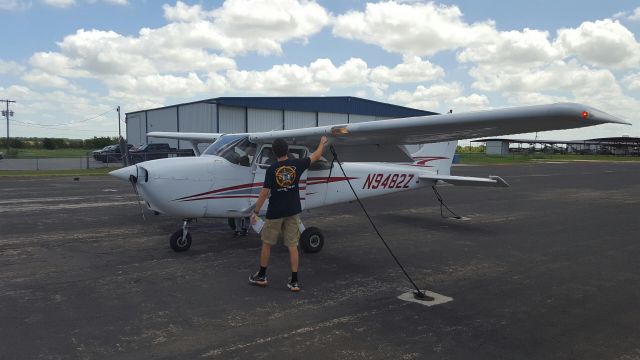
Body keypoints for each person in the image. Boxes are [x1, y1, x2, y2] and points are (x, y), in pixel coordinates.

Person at [249, 136, 328, 292]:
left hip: (275, 212)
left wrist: (256, 211)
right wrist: (322, 142)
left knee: (267, 244)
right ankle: (294, 281)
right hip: (292, 211)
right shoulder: (297, 164)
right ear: (288, 151)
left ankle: (262, 276)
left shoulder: (272, 169)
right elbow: (317, 156)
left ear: (274, 153)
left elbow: (264, 193)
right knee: (292, 246)